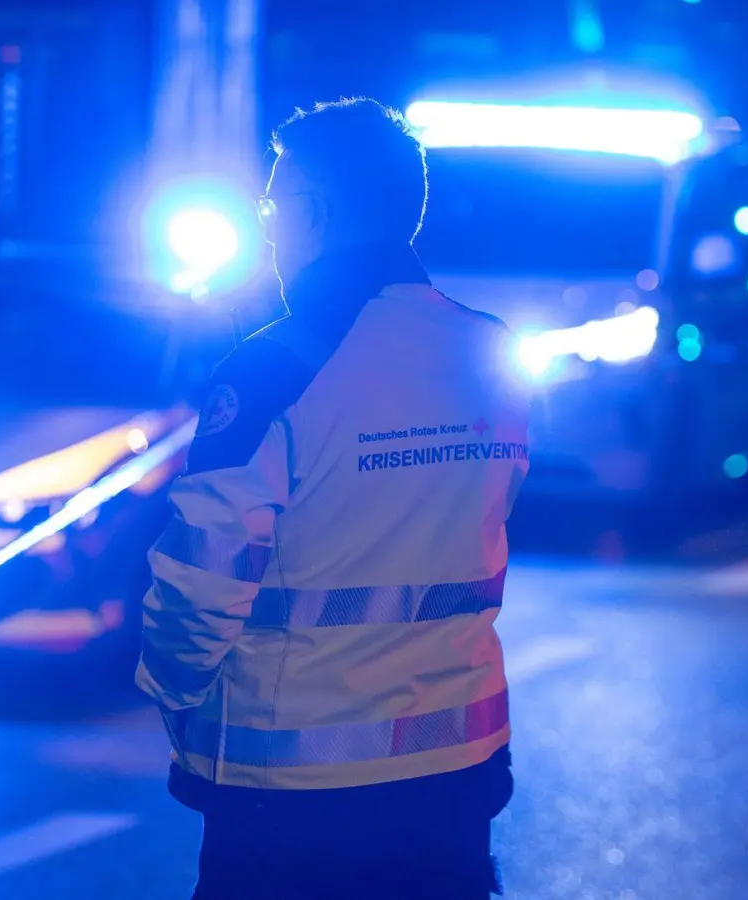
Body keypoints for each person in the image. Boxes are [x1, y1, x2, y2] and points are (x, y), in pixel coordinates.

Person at [135, 97, 531, 899]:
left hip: (292, 799)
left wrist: (171, 690)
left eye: (273, 207)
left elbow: (202, 577)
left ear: (312, 216)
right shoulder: (494, 352)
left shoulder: (273, 371)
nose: (269, 229)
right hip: (456, 773)